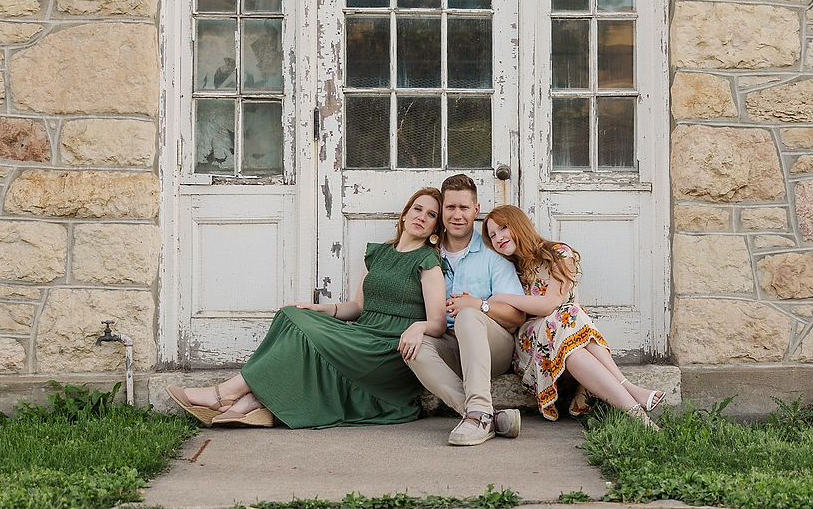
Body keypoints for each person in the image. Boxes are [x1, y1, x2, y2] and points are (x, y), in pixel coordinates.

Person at [167, 188, 448, 428]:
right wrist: (319, 310)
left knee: (300, 329)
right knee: (292, 315)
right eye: (417, 209)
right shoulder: (379, 254)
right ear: (405, 214)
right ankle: (253, 401)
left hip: (388, 350)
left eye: (431, 215)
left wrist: (418, 326)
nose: (421, 217)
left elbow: (438, 323)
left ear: (435, 227)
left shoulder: (427, 262)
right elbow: (359, 307)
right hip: (363, 336)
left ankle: (224, 393)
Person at [482, 205, 664, 431]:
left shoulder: (557, 253)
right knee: (571, 314)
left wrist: (503, 297)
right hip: (532, 346)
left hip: (568, 338)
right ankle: (629, 388)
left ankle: (638, 417)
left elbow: (550, 304)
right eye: (492, 235)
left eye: (503, 228)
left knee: (571, 331)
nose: (498, 238)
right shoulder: (504, 268)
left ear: (518, 225)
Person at [406, 174, 527, 446]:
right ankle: (483, 415)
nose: (457, 215)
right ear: (442, 211)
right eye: (450, 208)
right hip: (449, 343)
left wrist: (479, 305)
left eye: (463, 208)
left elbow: (517, 316)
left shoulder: (492, 254)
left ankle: (478, 415)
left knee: (469, 316)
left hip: (492, 345)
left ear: (476, 210)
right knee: (413, 348)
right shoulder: (429, 254)